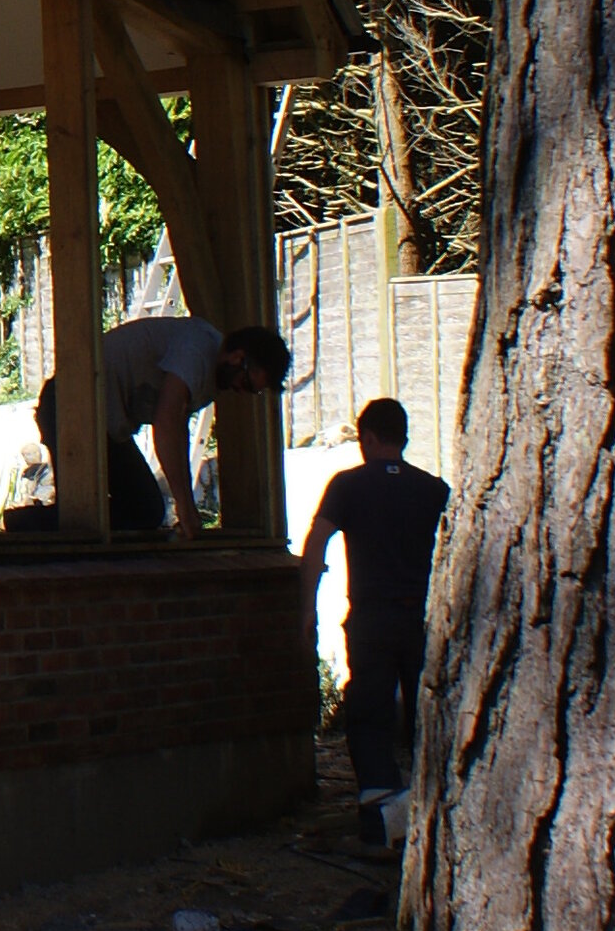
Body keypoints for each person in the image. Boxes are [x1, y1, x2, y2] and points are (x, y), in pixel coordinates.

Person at [297, 395, 449, 844]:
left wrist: (307, 607)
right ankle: (437, 809)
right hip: (422, 617)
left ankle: (383, 822)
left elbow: (315, 545)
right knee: (429, 710)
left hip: (372, 618)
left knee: (369, 716)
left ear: (366, 438)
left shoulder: (347, 485)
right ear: (403, 437)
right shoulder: (434, 489)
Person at [33, 315, 292, 539]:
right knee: (79, 516)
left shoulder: (211, 376)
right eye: (247, 384)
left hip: (106, 425)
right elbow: (166, 421)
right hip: (68, 404)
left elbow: (178, 431)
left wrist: (187, 504)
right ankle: (23, 528)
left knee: (146, 509)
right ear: (238, 358)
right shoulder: (198, 348)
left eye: (253, 391)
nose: (241, 391)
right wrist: (185, 506)